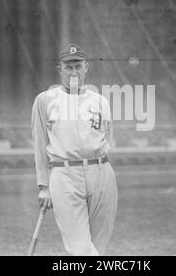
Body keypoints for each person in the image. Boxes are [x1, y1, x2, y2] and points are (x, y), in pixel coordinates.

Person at [31, 43, 118, 256]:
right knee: (80, 249)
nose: (74, 72)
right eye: (68, 67)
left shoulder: (100, 101)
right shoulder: (45, 100)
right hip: (65, 174)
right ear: (60, 70)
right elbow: (40, 144)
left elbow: (108, 137)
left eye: (78, 66)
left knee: (98, 246)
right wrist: (43, 185)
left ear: (86, 67)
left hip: (101, 173)